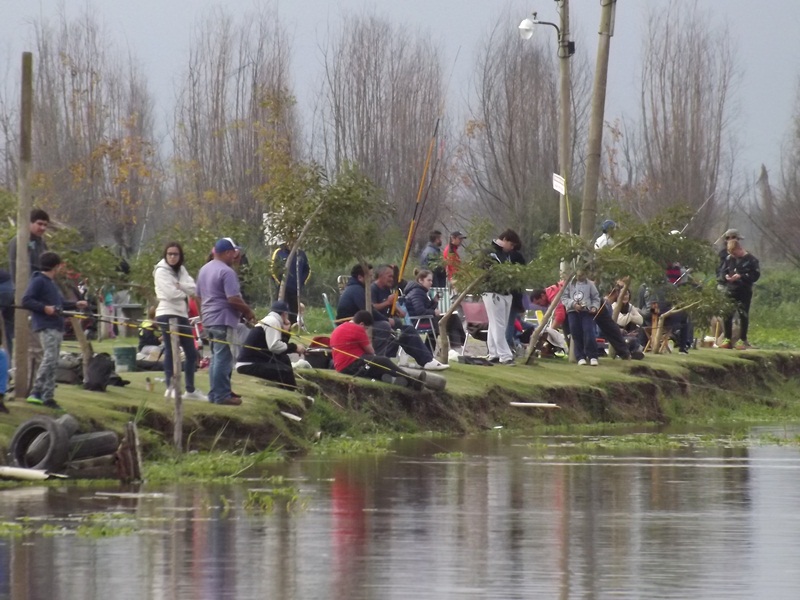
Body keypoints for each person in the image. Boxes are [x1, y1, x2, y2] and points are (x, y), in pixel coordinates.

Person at [21, 252, 88, 408]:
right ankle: (36, 391)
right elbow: (27, 300)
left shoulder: (51, 283)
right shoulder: (38, 281)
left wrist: (76, 304)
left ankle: (48, 396)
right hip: (46, 325)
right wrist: (45, 309)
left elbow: (59, 304)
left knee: (53, 361)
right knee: (49, 359)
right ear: (56, 266)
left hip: (56, 326)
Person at [196, 237, 256, 406]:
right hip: (223, 318)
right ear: (228, 252)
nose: (235, 257)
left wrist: (203, 318)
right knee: (223, 357)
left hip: (209, 319)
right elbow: (233, 299)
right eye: (233, 253)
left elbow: (198, 297)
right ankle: (222, 395)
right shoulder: (227, 272)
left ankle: (216, 393)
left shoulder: (204, 269)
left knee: (216, 356)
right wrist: (248, 311)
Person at [154, 242, 207, 401]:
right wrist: (183, 292)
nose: (172, 257)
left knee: (191, 353)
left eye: (175, 254)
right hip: (166, 313)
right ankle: (170, 387)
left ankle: (190, 390)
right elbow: (170, 294)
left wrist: (180, 286)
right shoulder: (161, 271)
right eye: (169, 254)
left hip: (182, 314)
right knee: (172, 350)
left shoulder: (181, 270)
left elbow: (193, 288)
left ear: (180, 256)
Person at [370, 265, 449, 370]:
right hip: (379, 324)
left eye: (393, 277)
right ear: (381, 275)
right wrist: (387, 303)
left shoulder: (386, 289)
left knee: (408, 330)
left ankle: (427, 361)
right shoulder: (372, 289)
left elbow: (389, 305)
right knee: (397, 330)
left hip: (390, 323)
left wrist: (398, 311)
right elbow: (371, 307)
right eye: (389, 276)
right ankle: (388, 360)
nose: (392, 279)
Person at [330, 310, 423, 389]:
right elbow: (371, 351)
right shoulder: (357, 329)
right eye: (366, 328)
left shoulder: (339, 328)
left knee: (375, 368)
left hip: (342, 366)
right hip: (352, 363)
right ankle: (414, 382)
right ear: (361, 324)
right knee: (383, 361)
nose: (365, 330)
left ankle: (394, 380)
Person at [9, 208, 50, 372]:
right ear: (29, 223)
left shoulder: (42, 243)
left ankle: (37, 377)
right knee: (29, 345)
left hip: (41, 299)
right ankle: (25, 380)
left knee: (39, 343)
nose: (43, 228)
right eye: (39, 224)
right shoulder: (19, 241)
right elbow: (20, 273)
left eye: (45, 225)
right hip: (26, 298)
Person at [236, 301, 305, 391]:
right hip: (248, 365)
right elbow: (274, 346)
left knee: (284, 359)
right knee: (285, 371)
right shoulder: (273, 321)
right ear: (284, 314)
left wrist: (286, 333)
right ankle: (294, 393)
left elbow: (278, 351)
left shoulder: (270, 320)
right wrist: (295, 347)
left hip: (254, 362)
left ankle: (289, 390)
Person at [404, 269, 466, 352]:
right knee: (453, 319)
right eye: (428, 280)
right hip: (419, 322)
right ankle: (457, 346)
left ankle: (455, 347)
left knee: (452, 318)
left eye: (431, 280)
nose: (431, 283)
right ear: (420, 280)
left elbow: (424, 308)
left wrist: (434, 301)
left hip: (421, 320)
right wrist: (434, 312)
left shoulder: (418, 291)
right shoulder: (417, 292)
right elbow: (420, 311)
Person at [481, 230, 518, 365]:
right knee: (499, 325)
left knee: (494, 324)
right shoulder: (489, 253)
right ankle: (505, 355)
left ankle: (494, 353)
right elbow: (486, 272)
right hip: (492, 292)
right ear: (504, 240)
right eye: (511, 244)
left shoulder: (506, 255)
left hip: (505, 293)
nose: (512, 247)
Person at [718, 237, 760, 349]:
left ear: (738, 248)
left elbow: (755, 276)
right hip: (730, 289)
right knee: (727, 314)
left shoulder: (752, 260)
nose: (734, 256)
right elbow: (722, 271)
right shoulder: (729, 259)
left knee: (743, 314)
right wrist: (726, 277)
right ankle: (727, 339)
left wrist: (741, 276)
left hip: (744, 290)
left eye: (734, 253)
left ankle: (742, 339)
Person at [562, 270, 601, 366]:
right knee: (575, 333)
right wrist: (573, 304)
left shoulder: (590, 285)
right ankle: (580, 356)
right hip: (572, 312)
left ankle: (592, 356)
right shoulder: (569, 284)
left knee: (589, 332)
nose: (580, 276)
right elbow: (564, 297)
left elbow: (596, 298)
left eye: (582, 274)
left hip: (586, 312)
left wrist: (594, 307)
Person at [271, 241, 311, 324]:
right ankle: (279, 326)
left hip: (296, 289)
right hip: (283, 288)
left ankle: (293, 327)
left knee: (294, 310)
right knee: (281, 309)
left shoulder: (301, 254)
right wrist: (281, 283)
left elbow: (307, 270)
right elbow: (273, 270)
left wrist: (301, 283)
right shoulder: (279, 252)